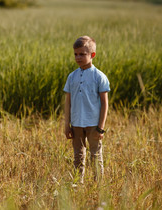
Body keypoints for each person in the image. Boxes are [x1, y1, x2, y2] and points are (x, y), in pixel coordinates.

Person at [63, 36, 110, 184]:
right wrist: (67, 125)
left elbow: (104, 103)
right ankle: (78, 184)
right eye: (76, 54)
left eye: (82, 54)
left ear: (92, 55)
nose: (78, 57)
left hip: (93, 124)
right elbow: (68, 102)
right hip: (76, 123)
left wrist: (100, 128)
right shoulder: (72, 77)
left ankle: (99, 186)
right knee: (78, 156)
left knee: (95, 156)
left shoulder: (99, 77)